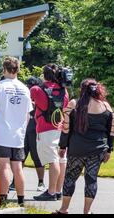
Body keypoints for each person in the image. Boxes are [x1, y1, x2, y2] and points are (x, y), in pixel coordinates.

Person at [54, 79, 114, 214]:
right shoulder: (106, 106)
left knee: (70, 177)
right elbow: (112, 129)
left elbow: (66, 128)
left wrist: (62, 146)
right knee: (91, 180)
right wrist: (110, 149)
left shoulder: (74, 104)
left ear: (82, 89)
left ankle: (64, 209)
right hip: (97, 150)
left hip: (76, 149)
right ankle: (86, 212)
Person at [0, 56, 33, 207]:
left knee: (4, 166)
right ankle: (21, 201)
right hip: (18, 134)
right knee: (17, 167)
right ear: (18, 70)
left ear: (4, 69)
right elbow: (27, 115)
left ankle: (3, 200)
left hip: (1, 133)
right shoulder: (25, 89)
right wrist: (22, 130)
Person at [32, 64, 69, 201]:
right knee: (61, 159)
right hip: (60, 129)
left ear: (44, 75)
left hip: (45, 130)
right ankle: (58, 191)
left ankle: (51, 192)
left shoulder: (36, 89)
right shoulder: (64, 91)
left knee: (52, 160)